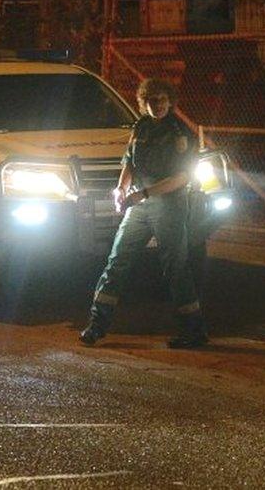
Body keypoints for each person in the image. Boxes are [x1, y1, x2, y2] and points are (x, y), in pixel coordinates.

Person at [80, 78, 208, 349]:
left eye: (161, 100)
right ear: (143, 102)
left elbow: (183, 177)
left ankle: (194, 331)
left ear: (170, 101)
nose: (156, 105)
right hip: (138, 204)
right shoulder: (141, 127)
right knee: (117, 262)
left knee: (176, 267)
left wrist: (144, 194)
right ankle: (96, 326)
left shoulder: (180, 132)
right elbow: (129, 160)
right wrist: (120, 188)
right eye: (150, 100)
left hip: (169, 206)